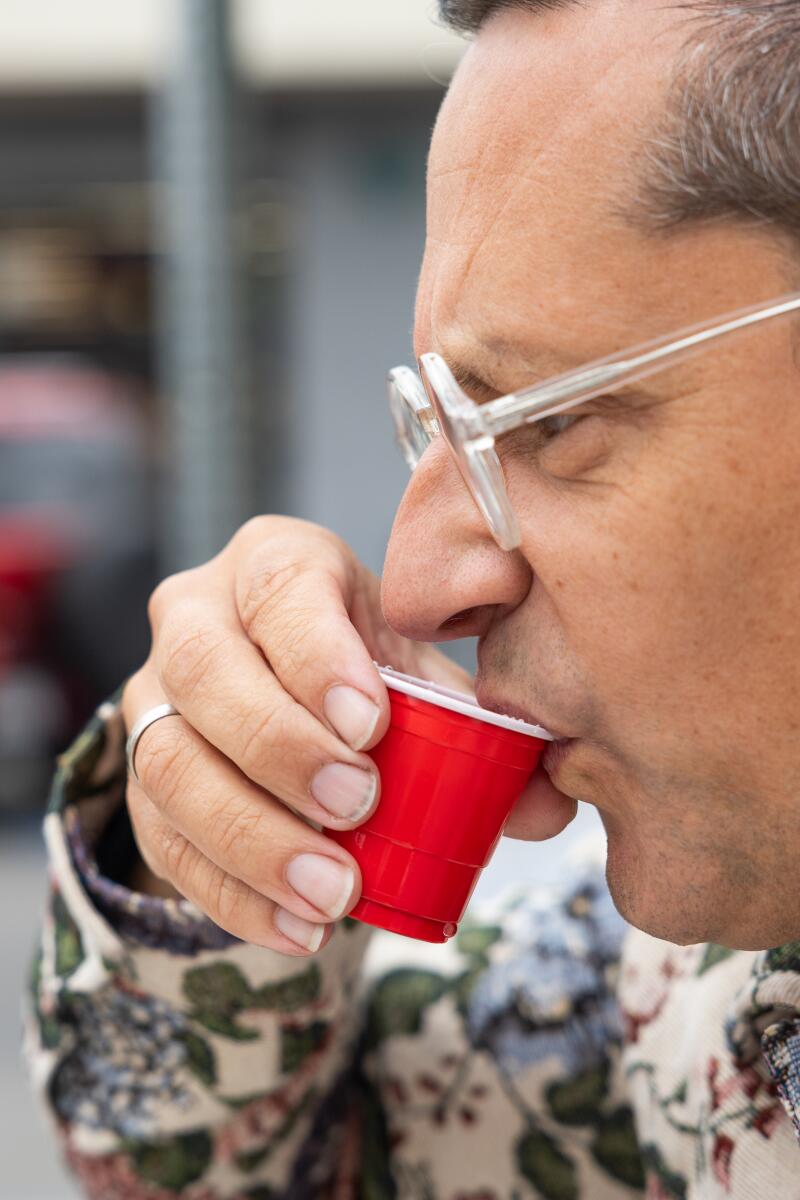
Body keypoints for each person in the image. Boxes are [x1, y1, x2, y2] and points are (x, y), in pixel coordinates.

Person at [27, 1, 800, 1196]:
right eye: (437, 426)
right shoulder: (691, 1000)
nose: (424, 583)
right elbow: (235, 1168)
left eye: (548, 422)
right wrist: (205, 837)